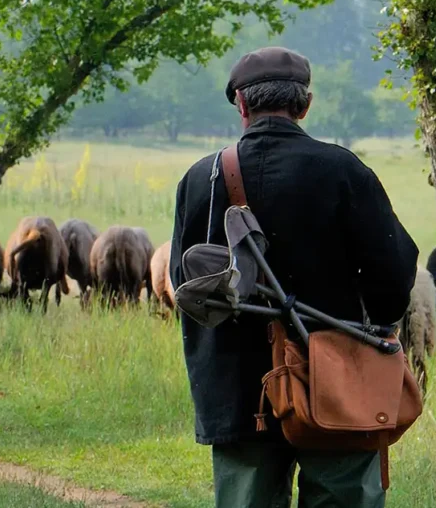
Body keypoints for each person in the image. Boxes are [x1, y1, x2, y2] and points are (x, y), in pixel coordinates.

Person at [169, 46, 419, 507]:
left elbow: (184, 286)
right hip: (339, 383)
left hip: (238, 392)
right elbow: (394, 276)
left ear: (241, 105)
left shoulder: (200, 178)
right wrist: (374, 323)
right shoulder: (345, 171)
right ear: (304, 104)